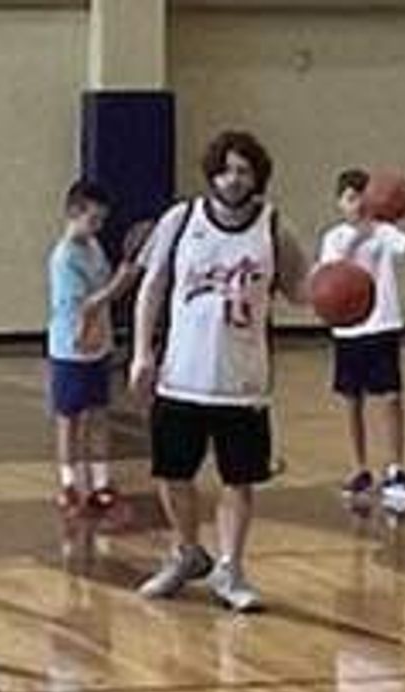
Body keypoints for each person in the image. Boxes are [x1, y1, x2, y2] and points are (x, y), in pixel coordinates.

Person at [130, 129, 317, 613]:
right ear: (212, 172)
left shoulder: (274, 227)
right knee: (173, 474)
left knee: (239, 480)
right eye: (227, 169)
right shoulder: (181, 219)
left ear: (257, 177)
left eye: (244, 170)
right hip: (181, 374)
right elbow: (153, 287)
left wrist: (343, 280)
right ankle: (188, 553)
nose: (233, 179)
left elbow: (302, 291)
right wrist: (142, 353)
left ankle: (230, 568)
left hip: (242, 381)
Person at [320, 167, 405, 506]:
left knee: (391, 397)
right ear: (339, 203)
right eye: (350, 198)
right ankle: (358, 468)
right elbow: (332, 274)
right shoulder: (334, 237)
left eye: (362, 197)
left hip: (383, 322)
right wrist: (359, 235)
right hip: (349, 327)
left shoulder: (384, 231)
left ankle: (395, 468)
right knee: (352, 400)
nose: (357, 204)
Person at [45, 179, 140, 515]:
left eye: (101, 220)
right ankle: (69, 483)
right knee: (69, 418)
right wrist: (120, 285)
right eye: (93, 219)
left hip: (98, 345)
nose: (98, 226)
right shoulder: (64, 258)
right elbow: (87, 304)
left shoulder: (94, 248)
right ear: (73, 213)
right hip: (71, 348)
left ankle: (100, 482)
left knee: (99, 415)